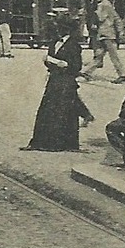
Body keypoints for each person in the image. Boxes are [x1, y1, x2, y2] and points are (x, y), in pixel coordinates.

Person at [22, 9, 92, 152]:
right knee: (47, 111)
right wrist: (48, 61)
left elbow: (76, 66)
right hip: (54, 80)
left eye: (60, 29)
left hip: (66, 82)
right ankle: (40, 142)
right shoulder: (54, 42)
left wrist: (65, 65)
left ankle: (61, 144)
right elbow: (50, 58)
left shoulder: (74, 45)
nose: (58, 31)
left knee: (64, 113)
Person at [88, 0, 125, 84]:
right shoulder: (103, 4)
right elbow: (117, 18)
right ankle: (85, 72)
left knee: (113, 56)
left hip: (107, 34)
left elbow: (101, 18)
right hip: (103, 34)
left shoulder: (104, 4)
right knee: (99, 54)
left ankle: (122, 74)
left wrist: (93, 9)